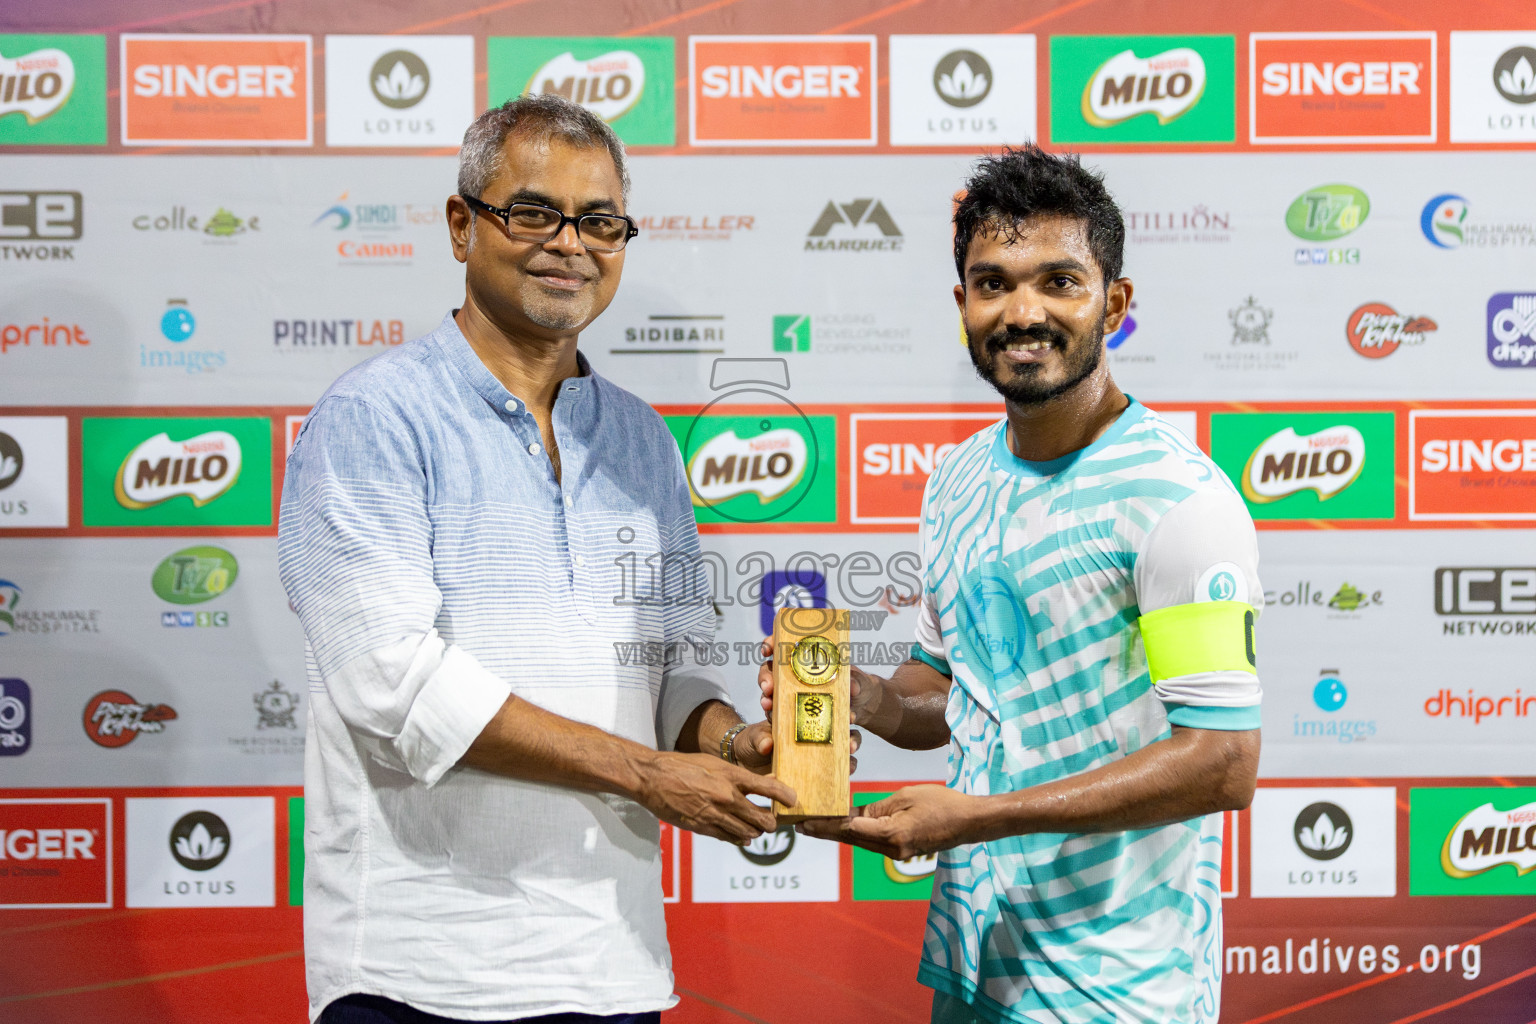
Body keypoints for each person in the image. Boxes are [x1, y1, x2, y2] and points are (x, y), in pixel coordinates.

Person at [278, 94, 792, 1024]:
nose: (570, 244)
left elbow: (672, 664)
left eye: (599, 221)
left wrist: (729, 743)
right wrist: (642, 775)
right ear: (460, 225)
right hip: (418, 973)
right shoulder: (372, 419)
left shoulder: (643, 440)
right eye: (532, 212)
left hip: (612, 965)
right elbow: (388, 685)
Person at [765, 145, 1263, 1024]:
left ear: (1114, 302)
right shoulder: (956, 478)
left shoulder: (1177, 500)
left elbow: (1219, 760)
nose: (1022, 312)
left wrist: (974, 818)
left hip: (1120, 990)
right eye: (992, 283)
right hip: (975, 965)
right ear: (961, 303)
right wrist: (868, 698)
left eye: (1058, 282)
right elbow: (951, 694)